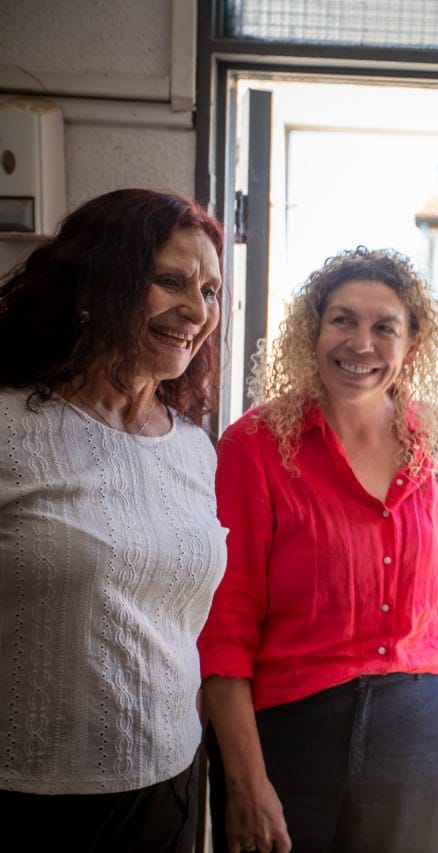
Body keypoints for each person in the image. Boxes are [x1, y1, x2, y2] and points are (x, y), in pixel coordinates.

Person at [197, 247, 438, 853]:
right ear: (313, 329)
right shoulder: (253, 446)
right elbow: (225, 625)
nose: (361, 344)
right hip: (289, 732)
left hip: (419, 722)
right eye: (344, 320)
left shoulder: (436, 441)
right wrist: (248, 783)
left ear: (412, 343)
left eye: (385, 327)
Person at [0, 188, 226, 851]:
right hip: (29, 797)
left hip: (170, 788)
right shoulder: (10, 428)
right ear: (99, 280)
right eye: (170, 281)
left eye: (211, 290)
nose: (197, 310)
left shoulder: (194, 447)